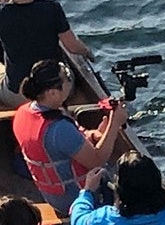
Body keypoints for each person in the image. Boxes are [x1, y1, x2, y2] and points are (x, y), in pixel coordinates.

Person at [13, 59, 129, 212]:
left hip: (52, 195)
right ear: (52, 92)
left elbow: (61, 145)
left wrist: (92, 135)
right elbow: (97, 160)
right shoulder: (59, 129)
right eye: (66, 78)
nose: (70, 81)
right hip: (75, 197)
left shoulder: (23, 112)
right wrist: (115, 123)